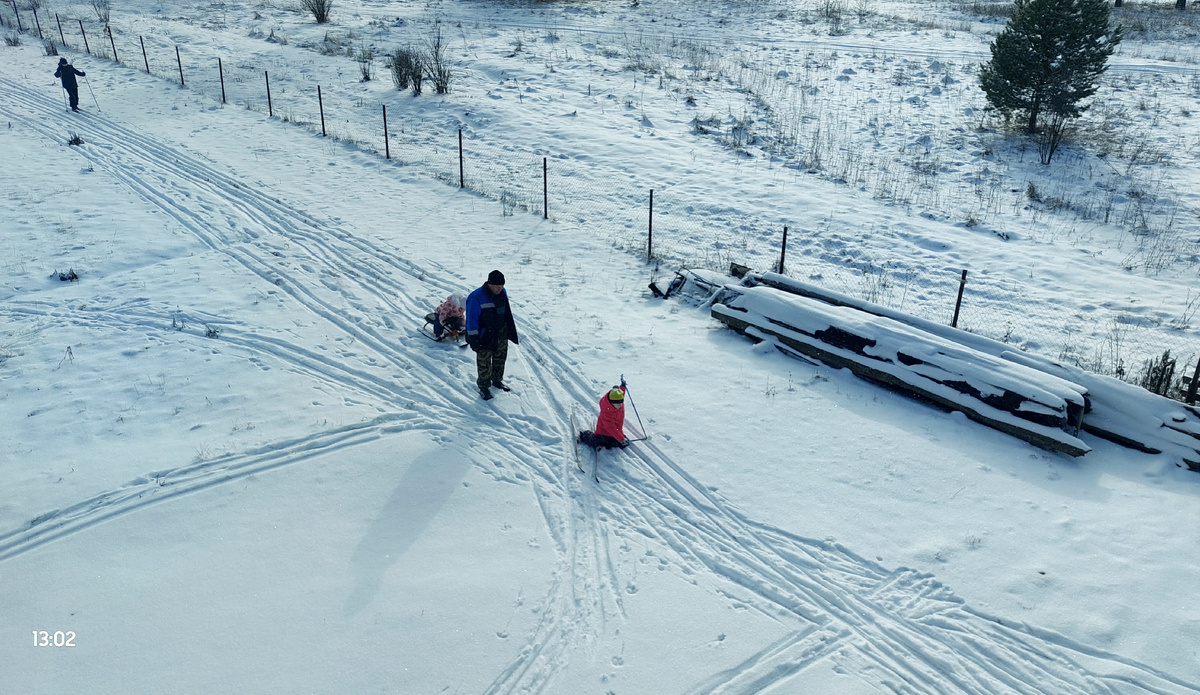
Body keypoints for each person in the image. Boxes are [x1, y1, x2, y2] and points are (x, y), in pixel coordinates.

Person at [465, 270, 519, 400]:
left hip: (500, 333)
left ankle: (497, 380)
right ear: (490, 283)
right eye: (497, 286)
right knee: (484, 363)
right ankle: (484, 387)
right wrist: (474, 339)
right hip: (484, 336)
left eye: (502, 286)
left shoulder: (502, 293)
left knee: (500, 358)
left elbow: (506, 313)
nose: (500, 289)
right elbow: (471, 320)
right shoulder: (476, 297)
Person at [579, 381, 629, 449]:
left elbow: (621, 395)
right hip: (604, 431)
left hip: (617, 430)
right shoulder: (607, 413)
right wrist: (621, 439)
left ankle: (606, 443)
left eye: (621, 402)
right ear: (611, 403)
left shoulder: (618, 401)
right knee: (596, 441)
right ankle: (584, 435)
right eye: (618, 404)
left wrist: (622, 387)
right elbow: (611, 428)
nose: (620, 405)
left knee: (621, 445)